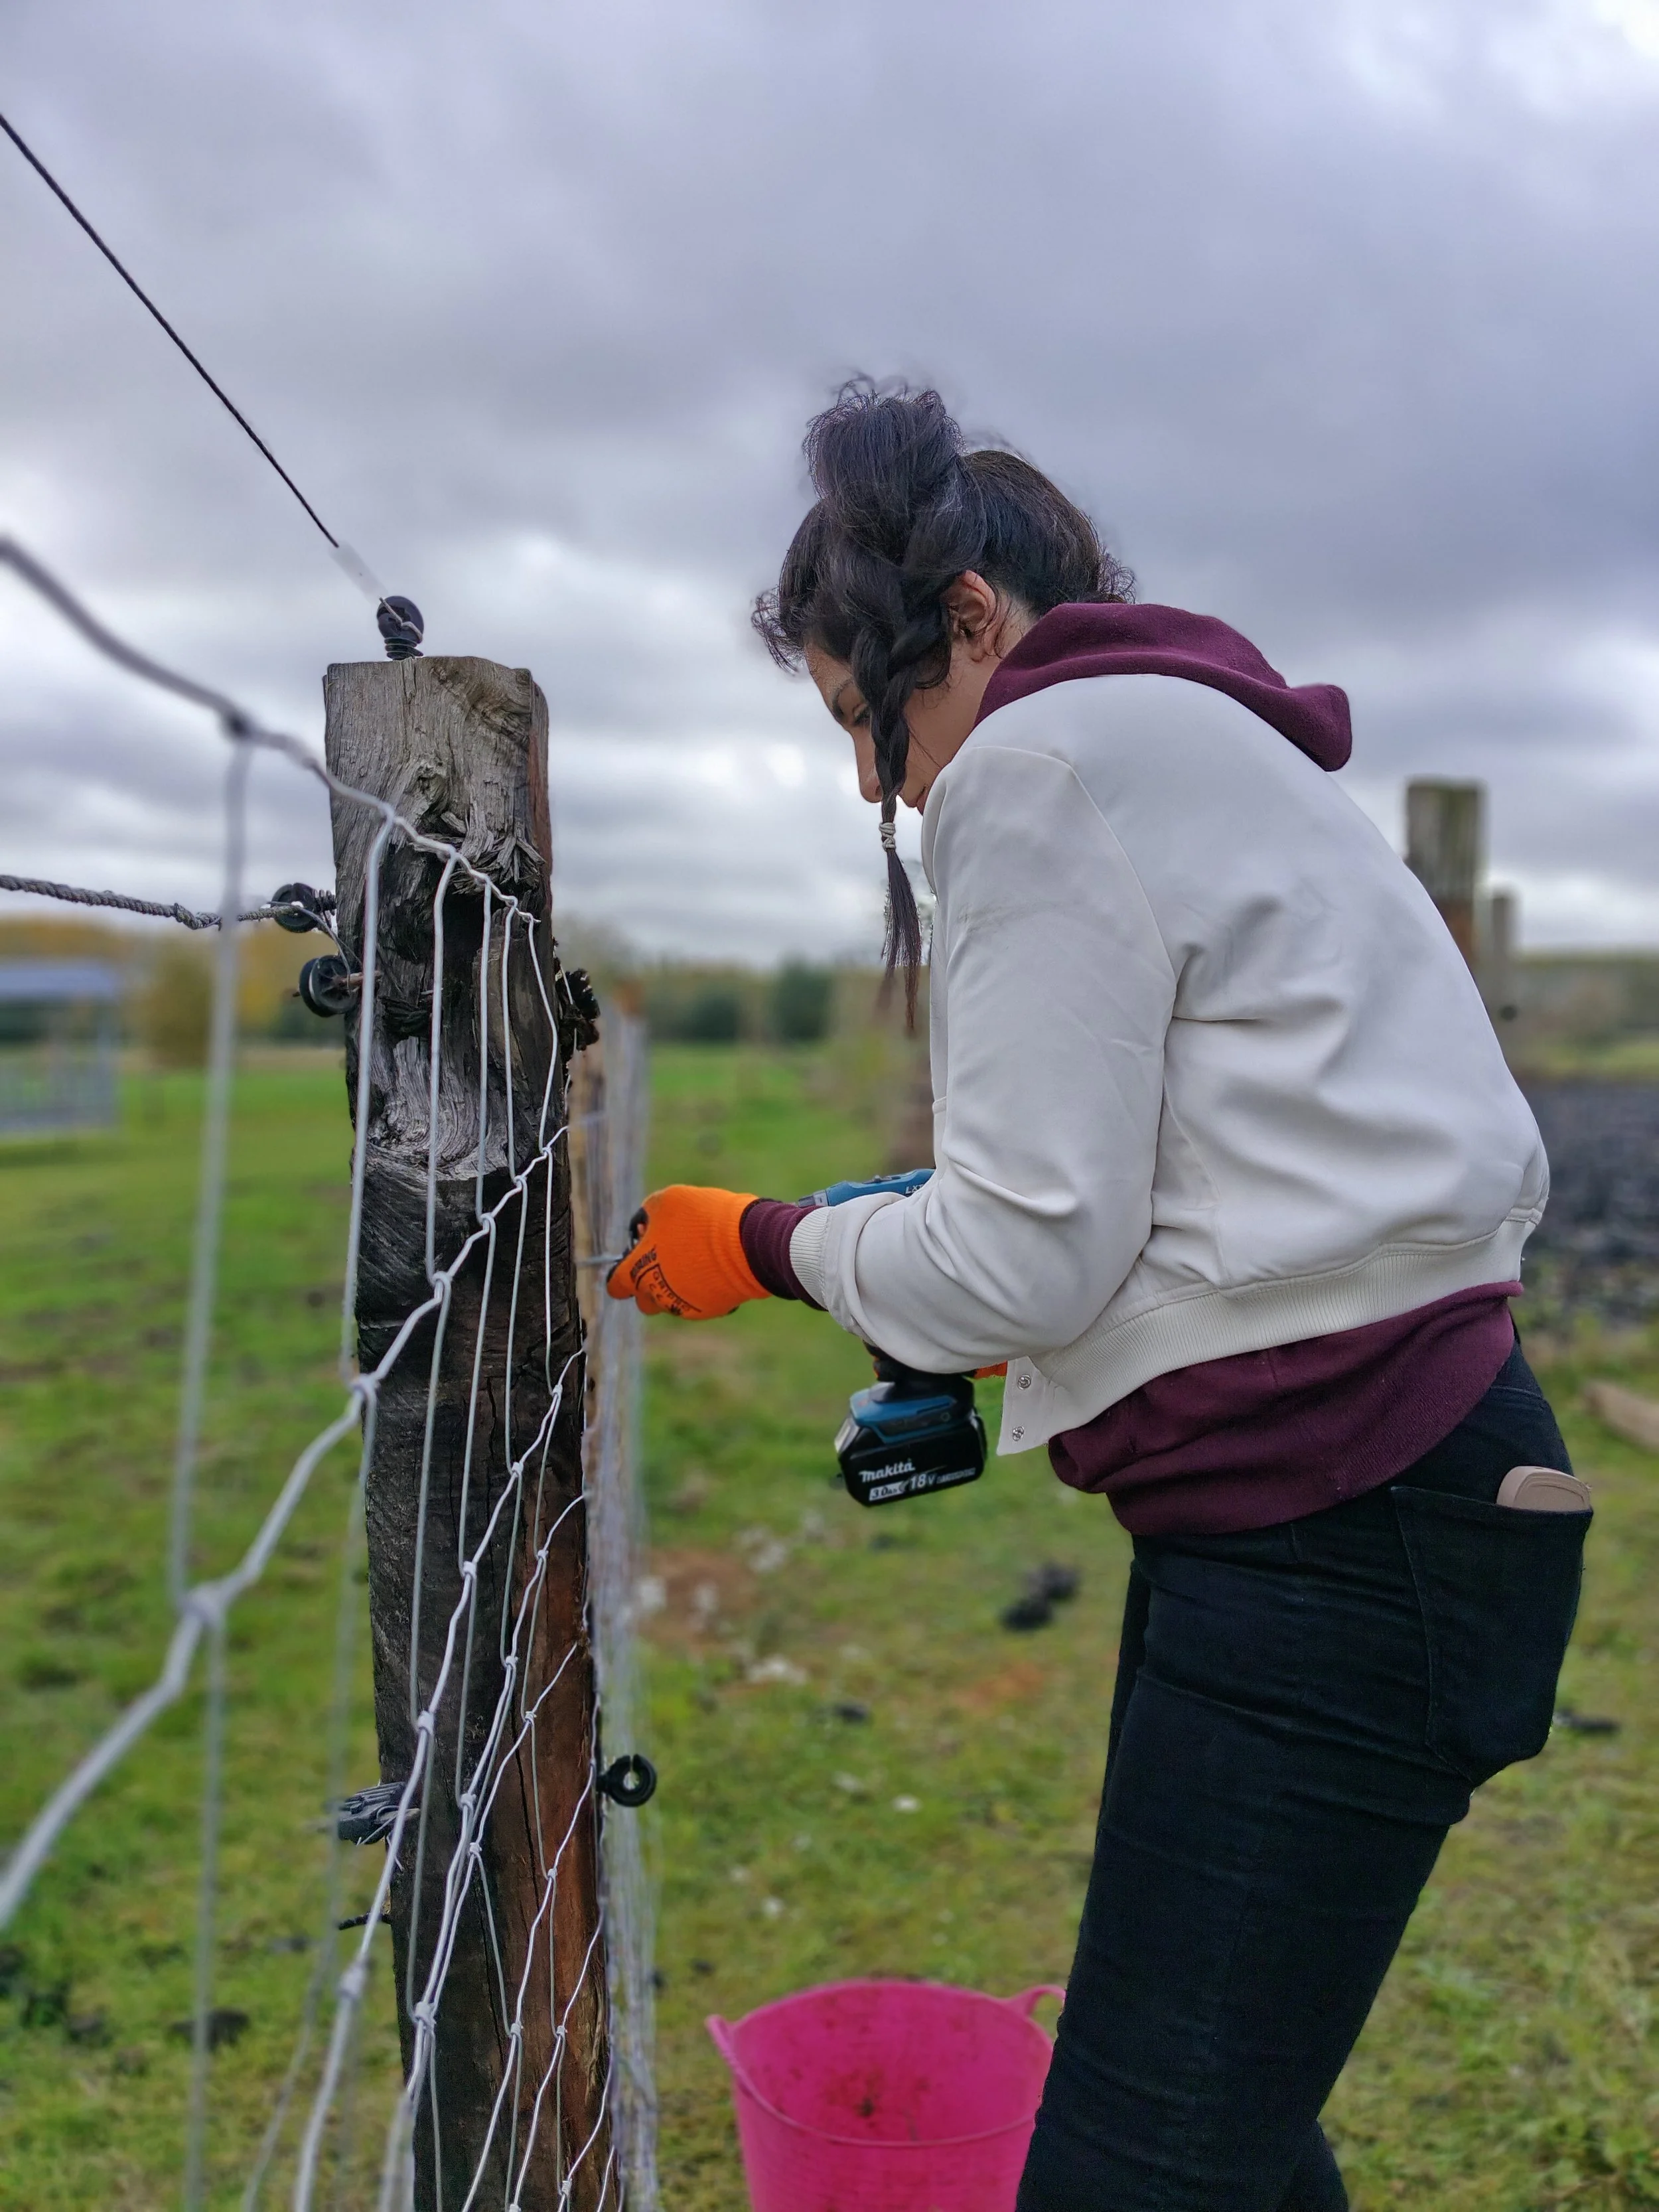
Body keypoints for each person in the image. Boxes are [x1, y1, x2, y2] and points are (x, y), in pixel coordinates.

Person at [606, 380, 1591, 2212]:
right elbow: (1193, 1176)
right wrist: (923, 1219)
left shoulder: (1042, 767)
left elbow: (1021, 1257)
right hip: (1357, 1503)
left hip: (1341, 1541)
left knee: (1138, 2166)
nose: (871, 783)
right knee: (1216, 2123)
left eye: (862, 715)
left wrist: (764, 1241)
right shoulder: (1204, 747)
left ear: (967, 621)